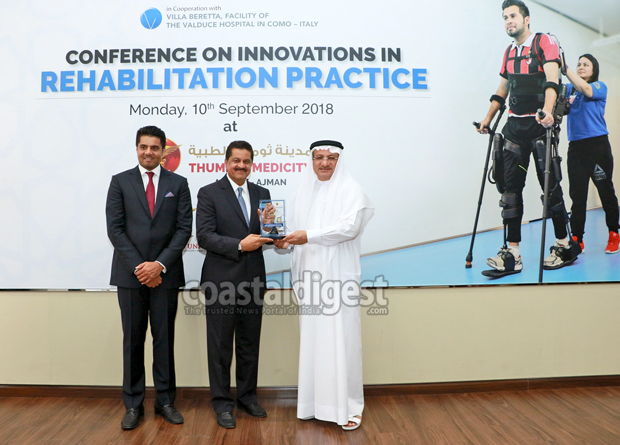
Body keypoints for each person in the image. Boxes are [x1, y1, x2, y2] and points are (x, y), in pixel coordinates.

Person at [274, 140, 374, 431]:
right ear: (312, 160)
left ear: (339, 161)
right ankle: (314, 405)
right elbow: (290, 237)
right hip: (310, 282)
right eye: (319, 157)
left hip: (339, 282)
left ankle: (349, 407)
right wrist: (281, 241)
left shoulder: (351, 190)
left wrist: (308, 235)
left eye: (331, 158)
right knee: (314, 343)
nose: (325, 163)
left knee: (342, 342)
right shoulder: (301, 194)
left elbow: (349, 228)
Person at [476, 0, 577, 273]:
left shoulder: (544, 42)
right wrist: (487, 119)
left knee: (551, 190)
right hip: (514, 129)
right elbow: (502, 89)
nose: (508, 21)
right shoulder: (509, 52)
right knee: (510, 193)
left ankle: (564, 244)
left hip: (539, 126)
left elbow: (552, 81)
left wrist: (548, 112)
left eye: (513, 16)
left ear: (526, 19)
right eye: (505, 17)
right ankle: (513, 254)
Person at [106, 125, 192, 430]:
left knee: (164, 339)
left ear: (163, 152)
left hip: (165, 276)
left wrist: (159, 265)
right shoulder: (120, 182)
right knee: (133, 341)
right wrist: (141, 268)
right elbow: (115, 229)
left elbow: (184, 229)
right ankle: (133, 404)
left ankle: (165, 401)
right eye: (144, 147)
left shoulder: (178, 183)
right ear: (137, 148)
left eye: (155, 147)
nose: (148, 152)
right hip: (130, 276)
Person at [195, 140, 272, 429]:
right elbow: (204, 236)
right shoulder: (209, 193)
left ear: (252, 164)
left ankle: (247, 397)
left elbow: (268, 232)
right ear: (226, 163)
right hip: (221, 282)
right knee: (220, 346)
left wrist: (276, 234)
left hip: (253, 281)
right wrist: (240, 244)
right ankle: (222, 404)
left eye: (246, 161)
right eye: (236, 160)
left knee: (249, 343)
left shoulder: (262, 193)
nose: (241, 166)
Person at [564, 54, 620, 254]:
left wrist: (565, 68)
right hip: (576, 148)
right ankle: (577, 239)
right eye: (578, 64)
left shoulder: (598, 86)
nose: (581, 67)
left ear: (594, 69)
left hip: (597, 146)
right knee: (577, 196)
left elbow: (585, 89)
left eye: (585, 65)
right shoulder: (569, 89)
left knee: (605, 191)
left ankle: (614, 233)